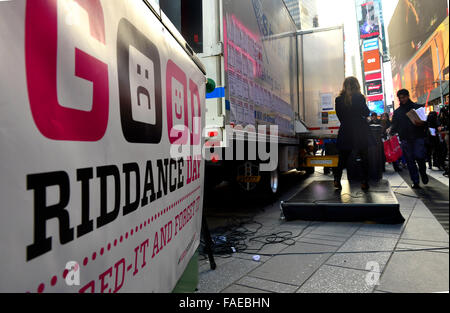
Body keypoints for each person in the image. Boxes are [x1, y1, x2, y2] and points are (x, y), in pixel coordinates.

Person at [334, 77, 372, 191]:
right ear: (357, 85)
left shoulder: (338, 99)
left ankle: (337, 179)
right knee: (364, 156)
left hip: (345, 130)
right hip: (359, 130)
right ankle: (364, 182)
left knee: (342, 158)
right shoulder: (359, 97)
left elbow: (339, 116)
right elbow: (366, 112)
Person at [389, 89, 429, 189]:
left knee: (420, 157)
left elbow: (425, 122)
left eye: (403, 97)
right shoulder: (397, 112)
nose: (402, 99)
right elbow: (394, 124)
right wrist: (391, 129)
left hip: (418, 136)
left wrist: (422, 123)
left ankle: (423, 172)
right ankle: (415, 181)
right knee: (410, 161)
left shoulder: (418, 107)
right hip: (405, 138)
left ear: (408, 96)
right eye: (400, 98)